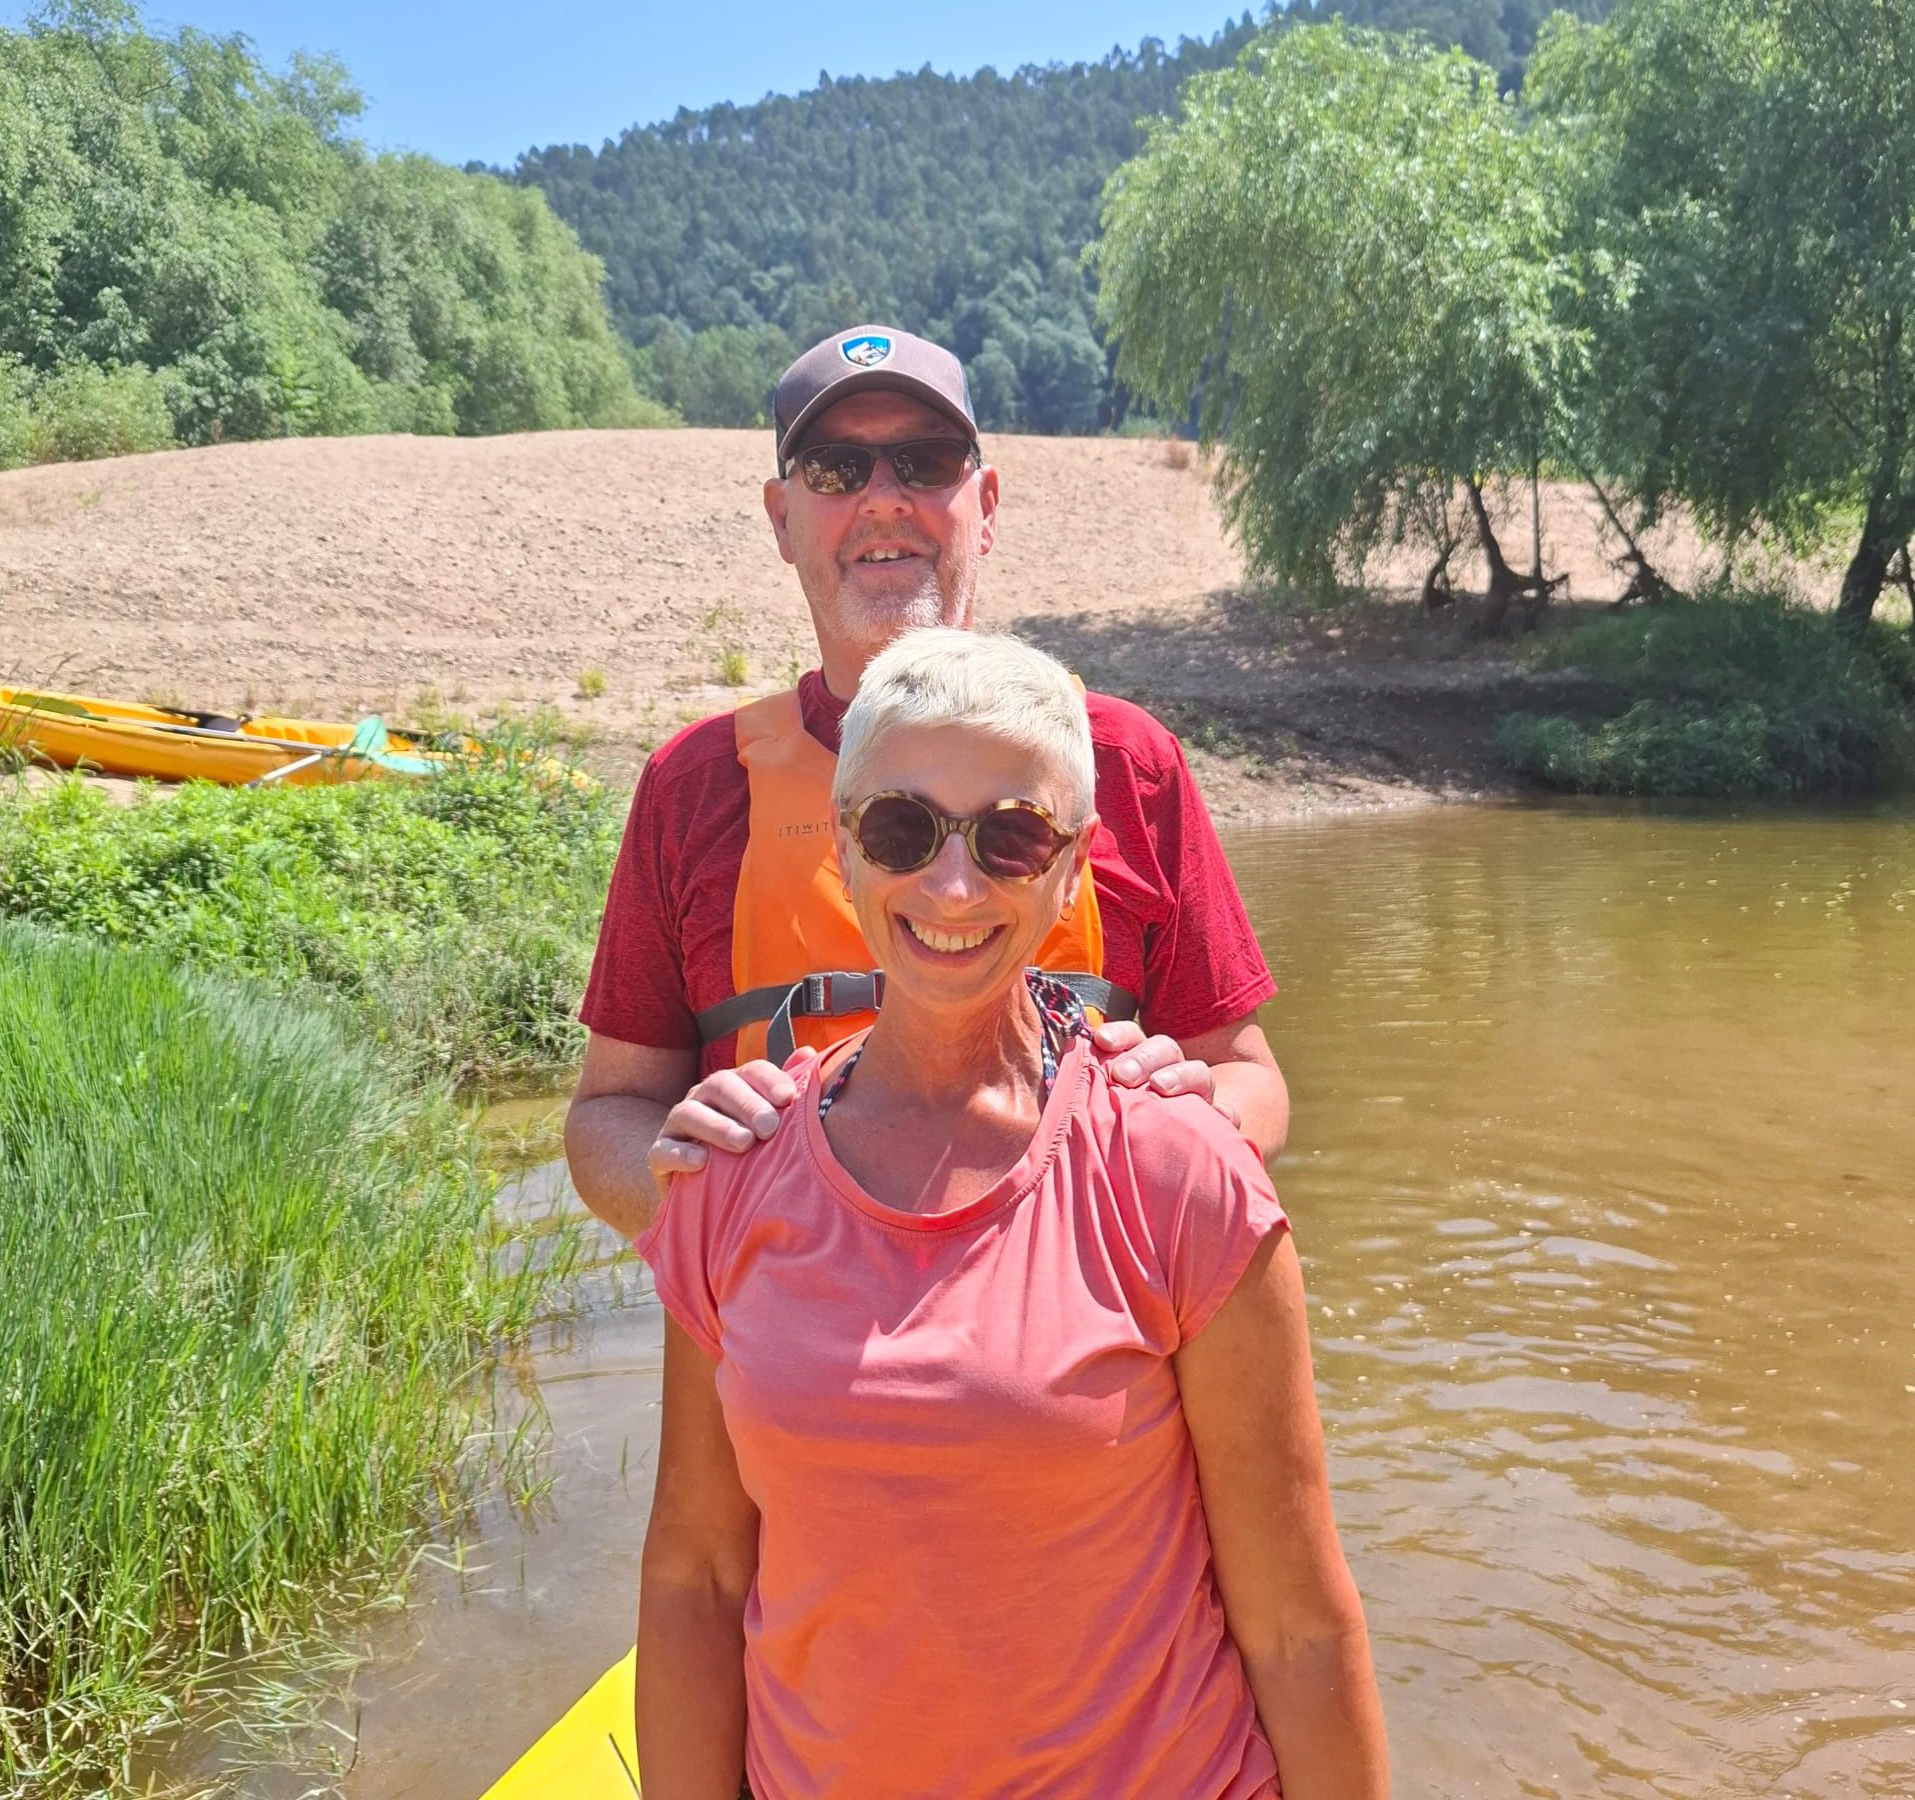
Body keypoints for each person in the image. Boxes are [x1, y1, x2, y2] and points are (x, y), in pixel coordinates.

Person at [633, 631, 1387, 1798]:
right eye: (899, 830)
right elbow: (696, 1579)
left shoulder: (1179, 1170)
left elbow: (1297, 1626)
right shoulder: (730, 1171)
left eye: (1010, 839)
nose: (950, 885)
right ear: (843, 848)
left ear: (1073, 866)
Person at [566, 325, 1288, 1242]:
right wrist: (686, 1190)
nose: (883, 500)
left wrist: (1199, 1125)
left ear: (985, 506)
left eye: (925, 461)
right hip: (781, 1353)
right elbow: (607, 1114)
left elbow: (1250, 1076)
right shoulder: (692, 786)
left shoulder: (1129, 763)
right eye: (834, 469)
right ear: (782, 518)